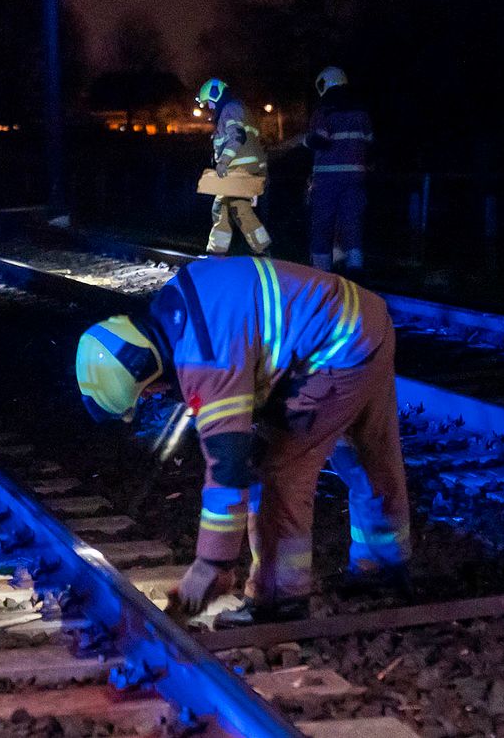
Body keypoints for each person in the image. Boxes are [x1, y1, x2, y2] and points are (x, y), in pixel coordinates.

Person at [74, 257, 411, 625]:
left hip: (336, 349)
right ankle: (384, 567)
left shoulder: (205, 360)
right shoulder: (178, 297)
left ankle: (279, 600)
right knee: (370, 452)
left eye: (147, 394)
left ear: (146, 374)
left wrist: (211, 563)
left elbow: (229, 466)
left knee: (276, 471)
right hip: (366, 317)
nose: (156, 397)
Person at [305, 67, 374, 272]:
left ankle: (321, 274)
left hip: (327, 179)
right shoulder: (361, 114)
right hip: (356, 178)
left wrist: (306, 141)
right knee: (352, 224)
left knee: (322, 225)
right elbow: (370, 143)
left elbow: (320, 140)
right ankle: (355, 272)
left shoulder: (324, 111)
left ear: (324, 84)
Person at [196, 78, 271, 256]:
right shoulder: (238, 109)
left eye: (210, 104)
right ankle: (258, 251)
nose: (210, 109)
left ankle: (221, 254)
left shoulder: (230, 109)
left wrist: (223, 162)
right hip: (248, 168)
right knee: (230, 207)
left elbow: (237, 136)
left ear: (216, 96)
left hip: (240, 169)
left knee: (229, 206)